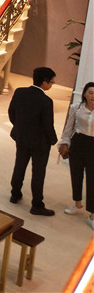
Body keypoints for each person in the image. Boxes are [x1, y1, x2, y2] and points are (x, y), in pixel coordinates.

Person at [8, 66, 58, 216]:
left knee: (19, 165)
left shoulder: (19, 92)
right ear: (44, 82)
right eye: (52, 82)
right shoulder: (46, 101)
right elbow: (48, 125)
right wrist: (54, 140)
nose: (52, 85)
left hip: (21, 137)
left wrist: (19, 127)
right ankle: (37, 205)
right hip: (40, 143)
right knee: (38, 173)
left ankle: (15, 194)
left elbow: (11, 112)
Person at [59, 81, 94, 228]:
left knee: (92, 179)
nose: (93, 96)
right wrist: (64, 143)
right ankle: (77, 204)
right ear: (85, 94)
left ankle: (92, 215)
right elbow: (68, 128)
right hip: (78, 143)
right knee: (76, 174)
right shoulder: (76, 108)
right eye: (90, 93)